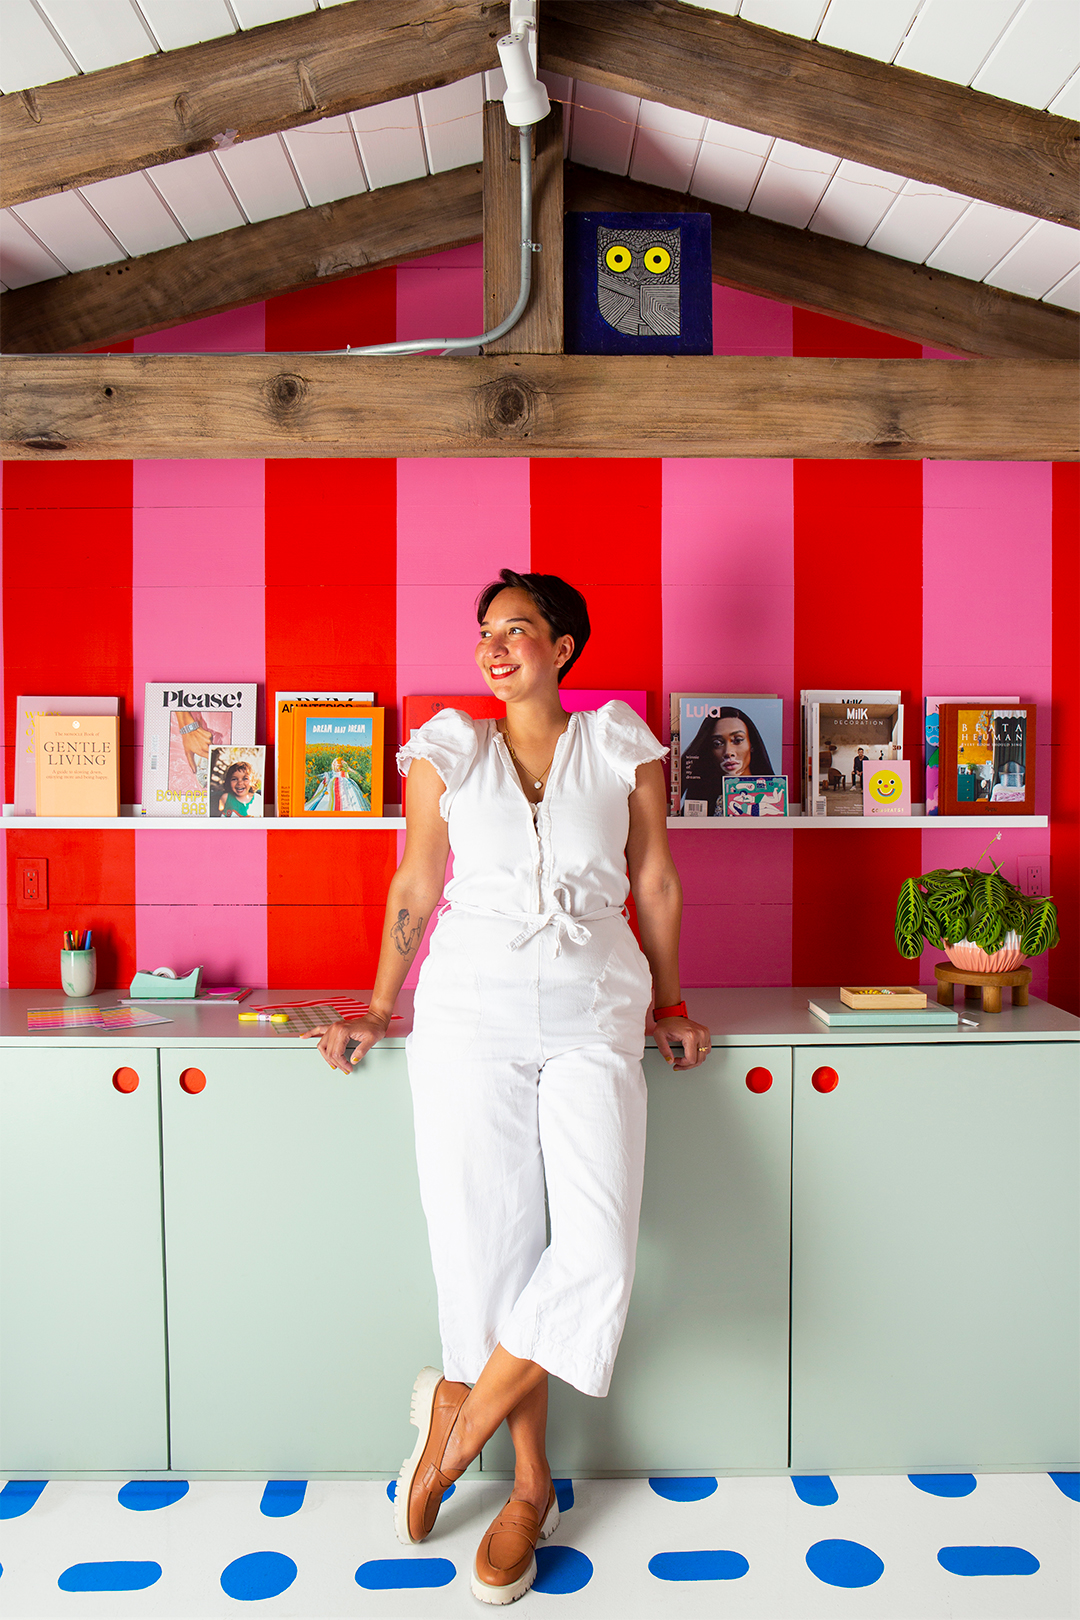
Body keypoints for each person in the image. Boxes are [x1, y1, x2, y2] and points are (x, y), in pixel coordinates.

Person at [307, 569, 709, 1605]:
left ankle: (457, 1422)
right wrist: (377, 1007)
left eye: (518, 629)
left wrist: (670, 1003)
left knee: (596, 1250)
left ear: (565, 646)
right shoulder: (449, 749)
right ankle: (531, 1488)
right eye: (485, 631)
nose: (494, 647)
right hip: (468, 1015)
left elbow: (656, 879)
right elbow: (415, 884)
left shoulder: (621, 744)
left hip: (595, 1013)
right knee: (487, 1258)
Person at [680, 707, 775, 812]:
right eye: (717, 744)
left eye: (738, 740)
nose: (728, 752)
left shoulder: (773, 794)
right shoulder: (702, 804)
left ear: (751, 744)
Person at [305, 755, 370, 812]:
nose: (339, 763)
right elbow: (317, 777)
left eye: (341, 762)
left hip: (347, 791)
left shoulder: (345, 772)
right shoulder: (330, 774)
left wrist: (348, 768)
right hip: (332, 790)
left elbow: (360, 778)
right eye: (337, 762)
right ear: (333, 764)